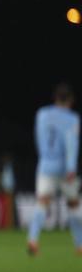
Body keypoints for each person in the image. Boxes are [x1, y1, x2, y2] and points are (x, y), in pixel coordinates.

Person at [26, 83, 81, 255]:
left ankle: (33, 239)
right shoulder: (72, 119)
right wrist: (71, 167)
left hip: (45, 165)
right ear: (71, 100)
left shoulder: (41, 114)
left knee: (42, 201)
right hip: (65, 168)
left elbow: (38, 138)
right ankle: (79, 244)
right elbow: (71, 143)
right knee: (73, 203)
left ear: (55, 98)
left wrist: (44, 157)